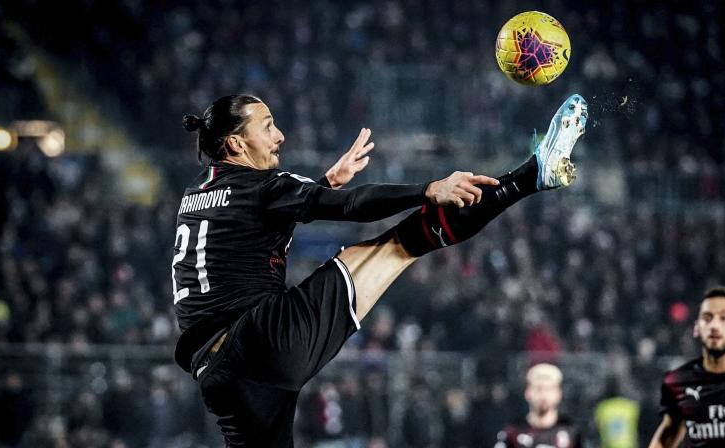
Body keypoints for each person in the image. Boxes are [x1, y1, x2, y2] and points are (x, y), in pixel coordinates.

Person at [171, 92, 588, 446]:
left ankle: (535, 174)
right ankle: (533, 174)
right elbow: (350, 207)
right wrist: (427, 189)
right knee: (398, 244)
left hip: (217, 377)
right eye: (267, 126)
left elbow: (255, 224)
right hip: (263, 339)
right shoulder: (263, 185)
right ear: (236, 144)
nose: (279, 136)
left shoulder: (196, 194)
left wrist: (324, 184)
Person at [648, 286, 725, 447]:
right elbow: (666, 437)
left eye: (724, 318)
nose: (714, 325)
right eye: (707, 318)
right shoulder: (678, 382)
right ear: (696, 328)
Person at [495, 363, 582, 448]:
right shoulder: (513, 433)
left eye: (549, 389)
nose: (543, 395)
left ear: (558, 394)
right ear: (528, 393)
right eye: (538, 389)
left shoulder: (571, 432)